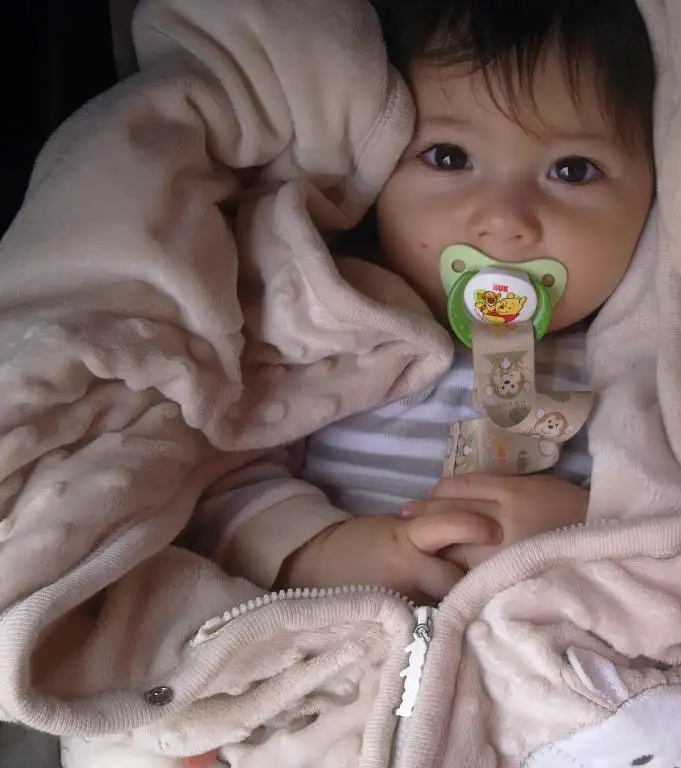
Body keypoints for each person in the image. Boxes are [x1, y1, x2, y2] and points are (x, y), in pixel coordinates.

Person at [187, 0, 657, 604]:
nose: (504, 220)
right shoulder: (330, 327)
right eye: (448, 158)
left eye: (572, 170)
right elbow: (219, 484)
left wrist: (585, 526)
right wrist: (319, 551)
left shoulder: (640, 368)